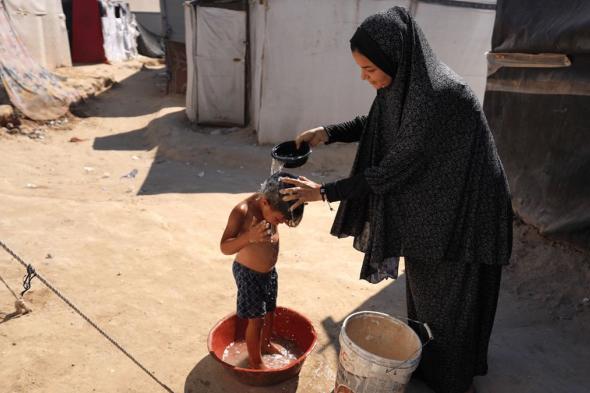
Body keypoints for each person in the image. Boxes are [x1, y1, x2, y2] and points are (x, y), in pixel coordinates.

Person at [280, 7, 512, 393]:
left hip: (467, 211)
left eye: (369, 69)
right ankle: (427, 361)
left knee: (452, 298)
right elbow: (378, 124)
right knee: (424, 293)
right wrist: (327, 133)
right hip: (432, 204)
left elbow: (390, 171)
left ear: (395, 58)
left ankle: (453, 380)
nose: (364, 77)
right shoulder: (402, 86)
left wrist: (321, 192)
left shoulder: (438, 97)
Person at [220, 172, 304, 369]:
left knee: (270, 312)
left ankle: (265, 344)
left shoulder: (273, 201)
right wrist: (248, 237)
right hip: (248, 273)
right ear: (265, 202)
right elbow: (224, 247)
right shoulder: (242, 211)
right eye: (278, 219)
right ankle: (255, 361)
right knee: (256, 320)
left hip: (269, 272)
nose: (280, 223)